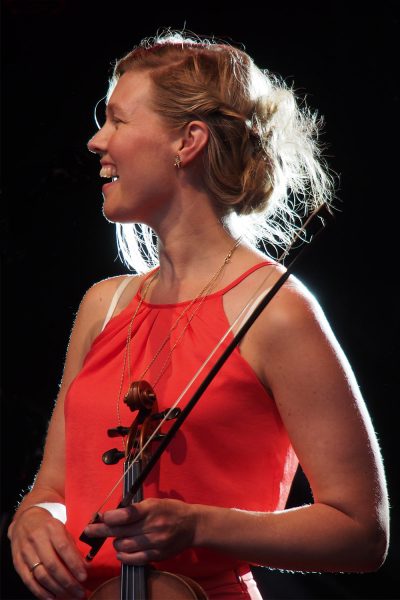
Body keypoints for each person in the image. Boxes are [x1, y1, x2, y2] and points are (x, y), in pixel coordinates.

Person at [8, 31, 389, 600]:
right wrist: (33, 519)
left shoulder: (276, 311)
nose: (95, 141)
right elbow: (55, 486)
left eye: (117, 121)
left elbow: (362, 530)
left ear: (187, 141)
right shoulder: (102, 306)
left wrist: (201, 526)